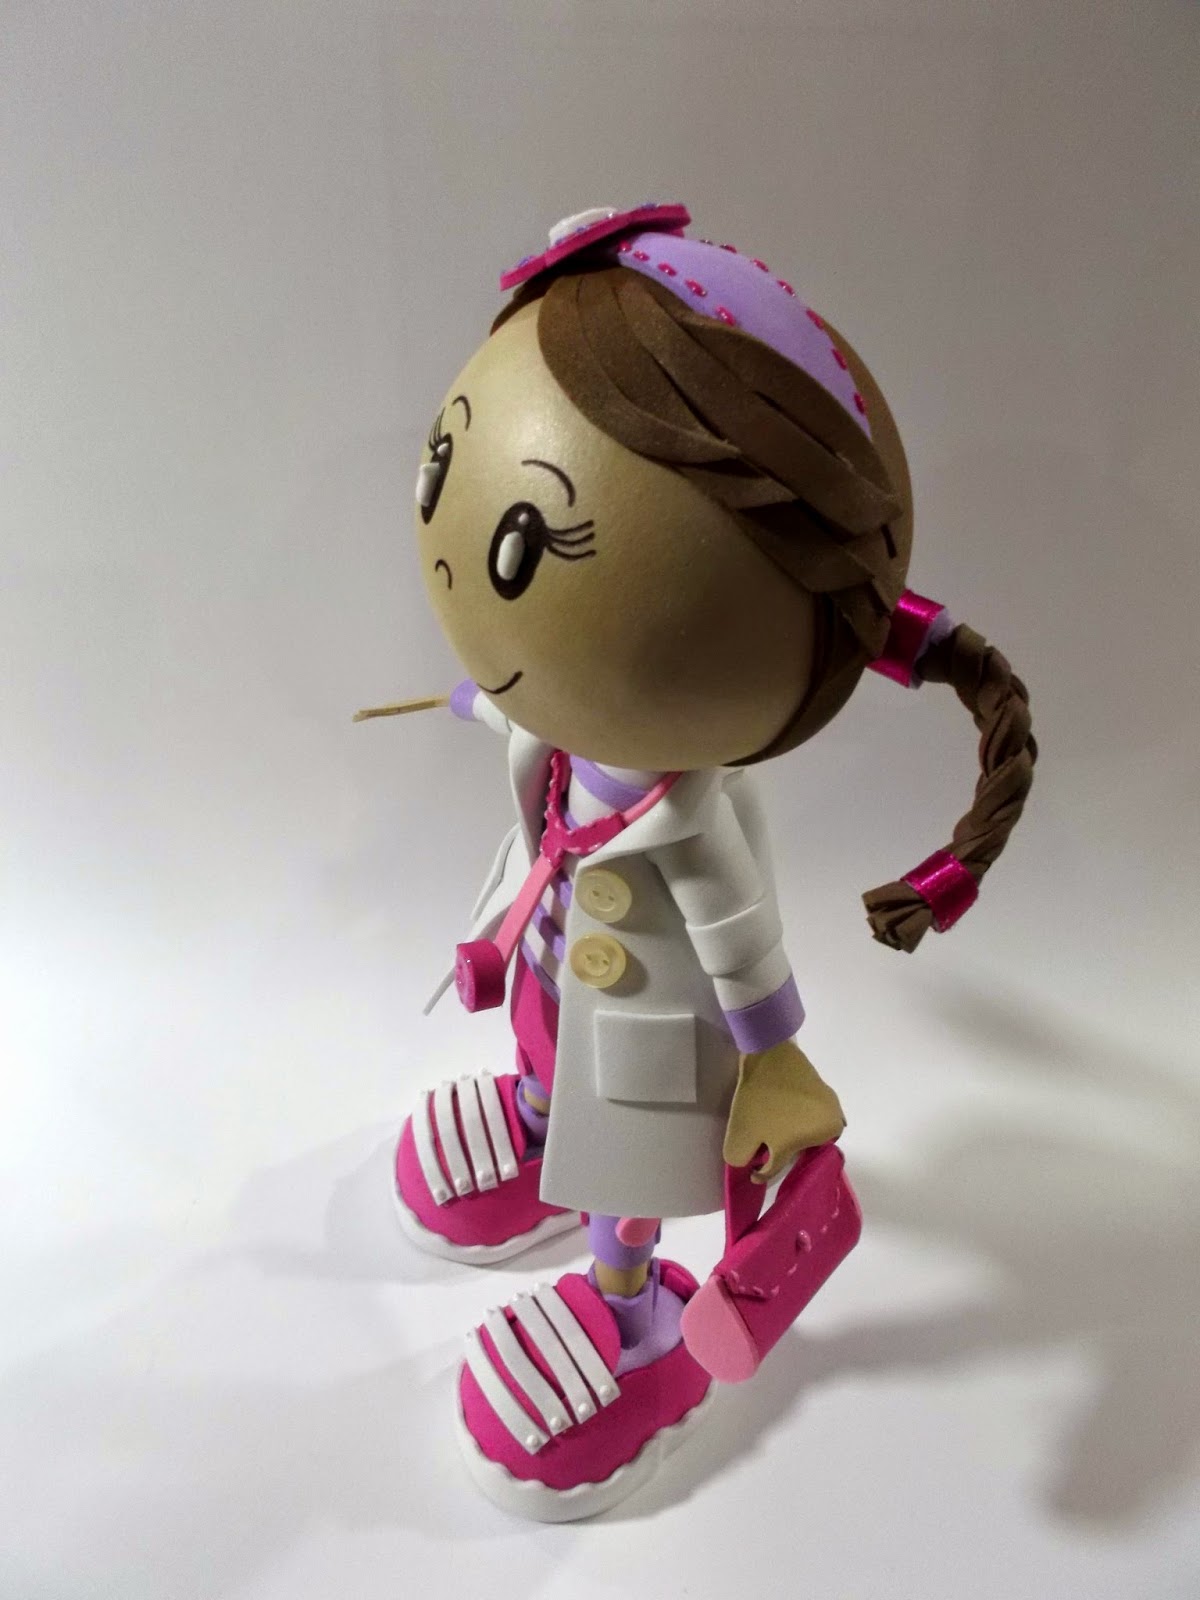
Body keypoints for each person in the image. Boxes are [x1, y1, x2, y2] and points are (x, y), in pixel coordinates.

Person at [385, 203, 1036, 1519]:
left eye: (527, 545)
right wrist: (471, 703)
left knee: (629, 1177)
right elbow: (513, 719)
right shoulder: (559, 734)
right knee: (544, 1046)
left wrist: (773, 1052)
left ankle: (626, 1312)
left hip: (649, 1037)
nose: (455, 547)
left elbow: (738, 934)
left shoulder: (696, 816)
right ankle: (534, 1121)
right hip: (552, 968)